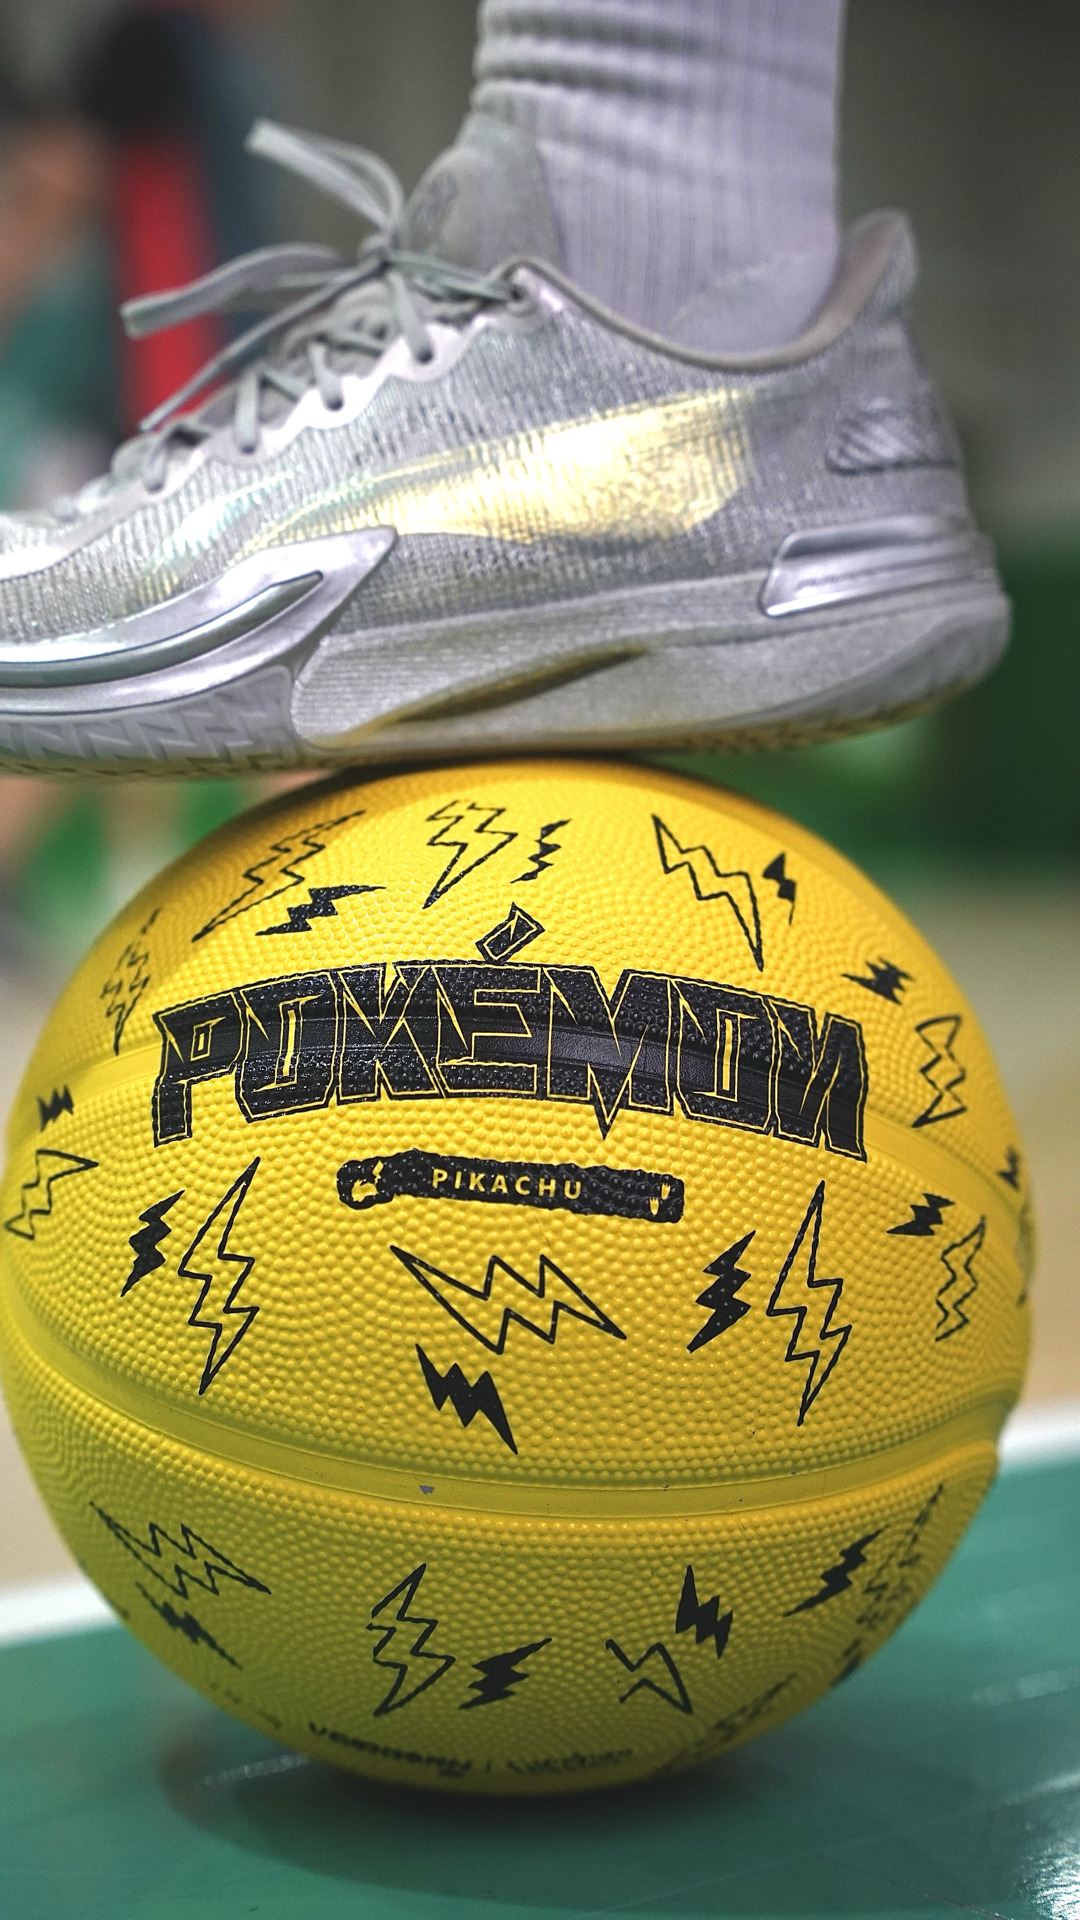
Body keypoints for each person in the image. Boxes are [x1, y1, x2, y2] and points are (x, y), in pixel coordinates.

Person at [0, 0, 1006, 777]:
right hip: (155, 372)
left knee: (267, 658)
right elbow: (66, 173)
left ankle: (631, 333)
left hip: (201, 371)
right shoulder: (148, 45)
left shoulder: (198, 57)